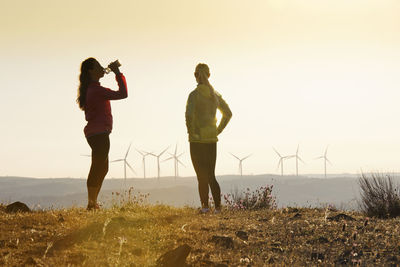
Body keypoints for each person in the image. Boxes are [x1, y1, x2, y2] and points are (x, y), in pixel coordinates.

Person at [76, 58, 128, 210]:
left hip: (96, 133)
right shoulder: (96, 90)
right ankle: (91, 204)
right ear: (91, 71)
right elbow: (123, 93)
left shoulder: (91, 89)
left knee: (102, 168)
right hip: (99, 133)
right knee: (98, 167)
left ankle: (93, 203)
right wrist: (118, 73)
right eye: (98, 66)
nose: (101, 68)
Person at [185, 63, 232, 214]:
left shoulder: (194, 95)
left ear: (195, 76)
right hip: (211, 139)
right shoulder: (215, 95)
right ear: (209, 75)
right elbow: (228, 113)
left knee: (201, 176)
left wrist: (192, 132)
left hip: (197, 140)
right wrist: (218, 130)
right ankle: (218, 208)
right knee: (211, 174)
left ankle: (205, 207)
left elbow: (189, 115)